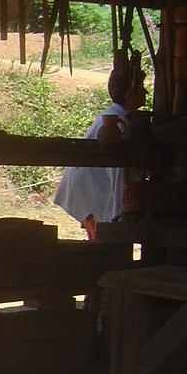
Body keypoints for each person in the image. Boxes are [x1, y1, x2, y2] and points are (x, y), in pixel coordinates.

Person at [53, 53, 147, 240]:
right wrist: (119, 217)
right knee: (104, 239)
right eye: (142, 89)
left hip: (86, 187)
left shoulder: (116, 115)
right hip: (91, 190)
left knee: (101, 241)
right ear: (130, 96)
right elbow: (117, 173)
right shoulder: (119, 122)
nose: (146, 93)